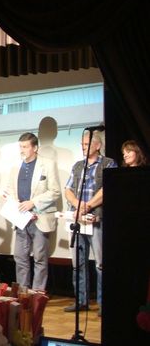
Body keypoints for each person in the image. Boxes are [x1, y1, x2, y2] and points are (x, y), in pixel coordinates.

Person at [64, 130, 116, 315]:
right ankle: (81, 300)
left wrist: (88, 206)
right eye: (82, 145)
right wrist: (78, 205)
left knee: (101, 264)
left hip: (97, 219)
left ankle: (104, 304)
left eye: (86, 145)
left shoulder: (108, 163)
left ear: (98, 146)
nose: (83, 148)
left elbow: (107, 189)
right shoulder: (78, 165)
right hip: (79, 219)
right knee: (78, 263)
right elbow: (68, 190)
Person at [6, 132, 61, 291]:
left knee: (39, 258)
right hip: (21, 218)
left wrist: (33, 203)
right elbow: (10, 189)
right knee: (20, 257)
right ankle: (23, 292)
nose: (22, 150)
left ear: (35, 148)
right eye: (20, 147)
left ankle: (37, 293)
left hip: (40, 218)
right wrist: (13, 200)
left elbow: (55, 191)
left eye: (25, 147)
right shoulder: (16, 167)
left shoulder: (48, 164)